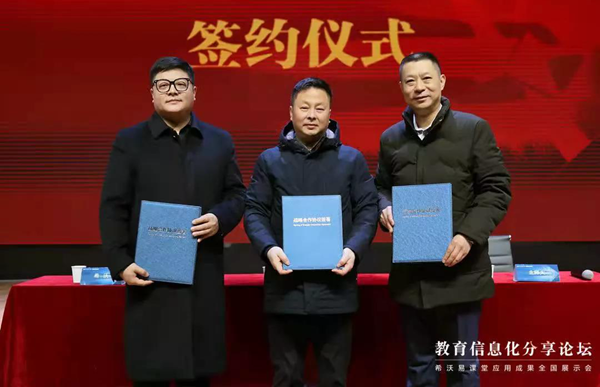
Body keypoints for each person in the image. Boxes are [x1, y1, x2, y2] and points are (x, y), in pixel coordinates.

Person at [99, 56, 245, 387]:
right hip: (149, 277)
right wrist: (120, 263)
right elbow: (113, 206)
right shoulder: (130, 142)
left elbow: (237, 195)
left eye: (181, 84)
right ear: (152, 94)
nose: (173, 90)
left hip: (202, 273)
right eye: (163, 85)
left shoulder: (219, 141)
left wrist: (219, 219)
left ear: (194, 91)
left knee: (199, 372)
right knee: (151, 372)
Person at [375, 52, 511, 387]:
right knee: (419, 369)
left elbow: (496, 189)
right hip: (412, 277)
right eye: (410, 81)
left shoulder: (472, 129)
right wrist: (384, 206)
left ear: (442, 81)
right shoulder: (391, 138)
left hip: (460, 274)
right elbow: (381, 186)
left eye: (426, 78)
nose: (419, 87)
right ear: (401, 87)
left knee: (462, 370)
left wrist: (467, 235)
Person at [244, 77, 378, 387]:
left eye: (320, 108)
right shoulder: (269, 161)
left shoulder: (351, 159)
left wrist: (354, 248)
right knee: (286, 377)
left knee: (334, 379)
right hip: (285, 290)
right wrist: (268, 248)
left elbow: (367, 210)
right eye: (304, 107)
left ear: (330, 113)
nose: (312, 115)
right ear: (291, 112)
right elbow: (254, 210)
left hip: (336, 290)